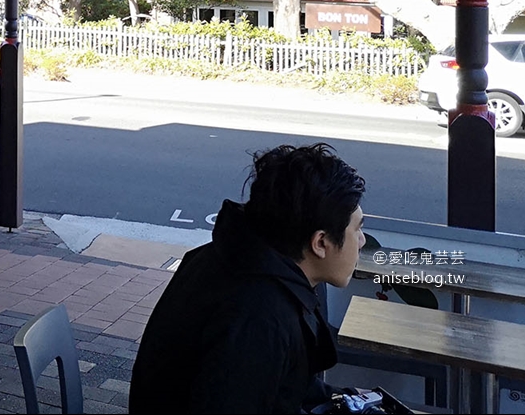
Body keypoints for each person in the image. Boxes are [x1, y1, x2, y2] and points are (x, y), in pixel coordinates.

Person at [129, 143, 366, 414]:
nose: (361, 242)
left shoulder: (230, 257)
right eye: (357, 229)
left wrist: (347, 400)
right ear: (320, 242)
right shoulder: (260, 316)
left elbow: (288, 388)